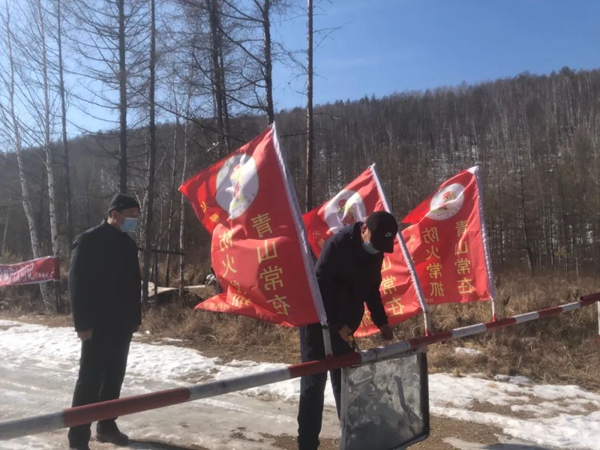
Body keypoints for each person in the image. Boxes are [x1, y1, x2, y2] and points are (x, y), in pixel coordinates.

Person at [297, 211, 398, 450]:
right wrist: (335, 324)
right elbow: (319, 287)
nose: (377, 250)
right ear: (364, 230)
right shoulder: (338, 245)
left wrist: (381, 321)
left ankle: (354, 441)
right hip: (319, 324)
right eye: (375, 243)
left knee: (346, 384)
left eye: (382, 247)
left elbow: (372, 289)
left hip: (346, 327)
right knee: (314, 384)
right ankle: (307, 444)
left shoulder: (376, 251)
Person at [68, 193, 142, 450]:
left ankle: (107, 426)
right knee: (89, 379)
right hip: (96, 324)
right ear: (114, 214)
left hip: (122, 323)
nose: (134, 220)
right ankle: (78, 437)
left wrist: (135, 317)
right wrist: (82, 323)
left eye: (137, 216)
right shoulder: (89, 241)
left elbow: (134, 284)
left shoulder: (128, 244)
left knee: (114, 376)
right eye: (131, 215)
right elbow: (77, 284)